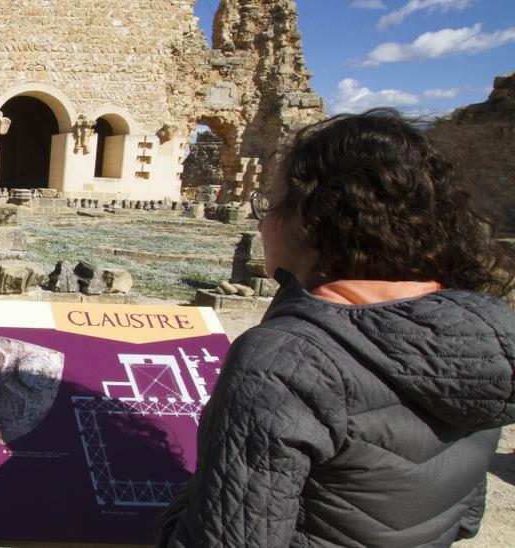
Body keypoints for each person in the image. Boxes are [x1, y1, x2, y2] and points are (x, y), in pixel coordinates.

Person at [157, 109, 515, 547]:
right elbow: (465, 518)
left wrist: (186, 500)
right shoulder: (485, 337)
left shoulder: (284, 361)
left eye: (268, 205)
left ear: (309, 218)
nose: (262, 221)